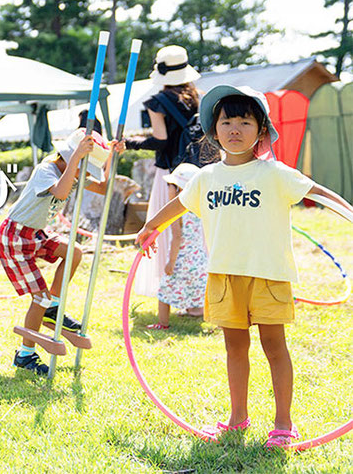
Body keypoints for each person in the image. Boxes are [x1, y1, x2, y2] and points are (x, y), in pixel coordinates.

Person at [136, 85, 353, 448]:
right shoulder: (206, 177)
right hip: (223, 274)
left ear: (262, 130)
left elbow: (316, 191)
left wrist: (348, 210)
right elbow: (180, 205)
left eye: (245, 121)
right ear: (214, 129)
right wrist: (149, 227)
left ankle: (283, 424)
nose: (234, 129)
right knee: (234, 348)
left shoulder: (274, 174)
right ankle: (238, 418)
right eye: (227, 121)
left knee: (273, 345)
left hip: (268, 274)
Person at [0, 128, 123, 377]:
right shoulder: (47, 170)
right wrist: (76, 159)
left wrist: (110, 158)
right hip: (14, 236)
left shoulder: (73, 171)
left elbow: (104, 187)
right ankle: (24, 354)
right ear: (68, 157)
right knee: (38, 299)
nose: (84, 175)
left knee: (74, 252)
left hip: (35, 233)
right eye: (82, 168)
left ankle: (52, 307)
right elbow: (61, 192)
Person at [125, 46, 202, 301]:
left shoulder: (157, 102)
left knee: (166, 229)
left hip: (170, 175)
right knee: (194, 235)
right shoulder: (197, 98)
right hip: (197, 174)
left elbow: (160, 140)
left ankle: (172, 293)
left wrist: (130, 143)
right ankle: (196, 293)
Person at [146, 162, 207, 330]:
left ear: (180, 189)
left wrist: (170, 263)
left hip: (182, 259)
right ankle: (205, 316)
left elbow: (177, 238)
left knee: (164, 292)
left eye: (169, 186)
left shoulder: (177, 213)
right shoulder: (198, 207)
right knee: (199, 289)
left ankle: (163, 323)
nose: (167, 190)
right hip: (198, 258)